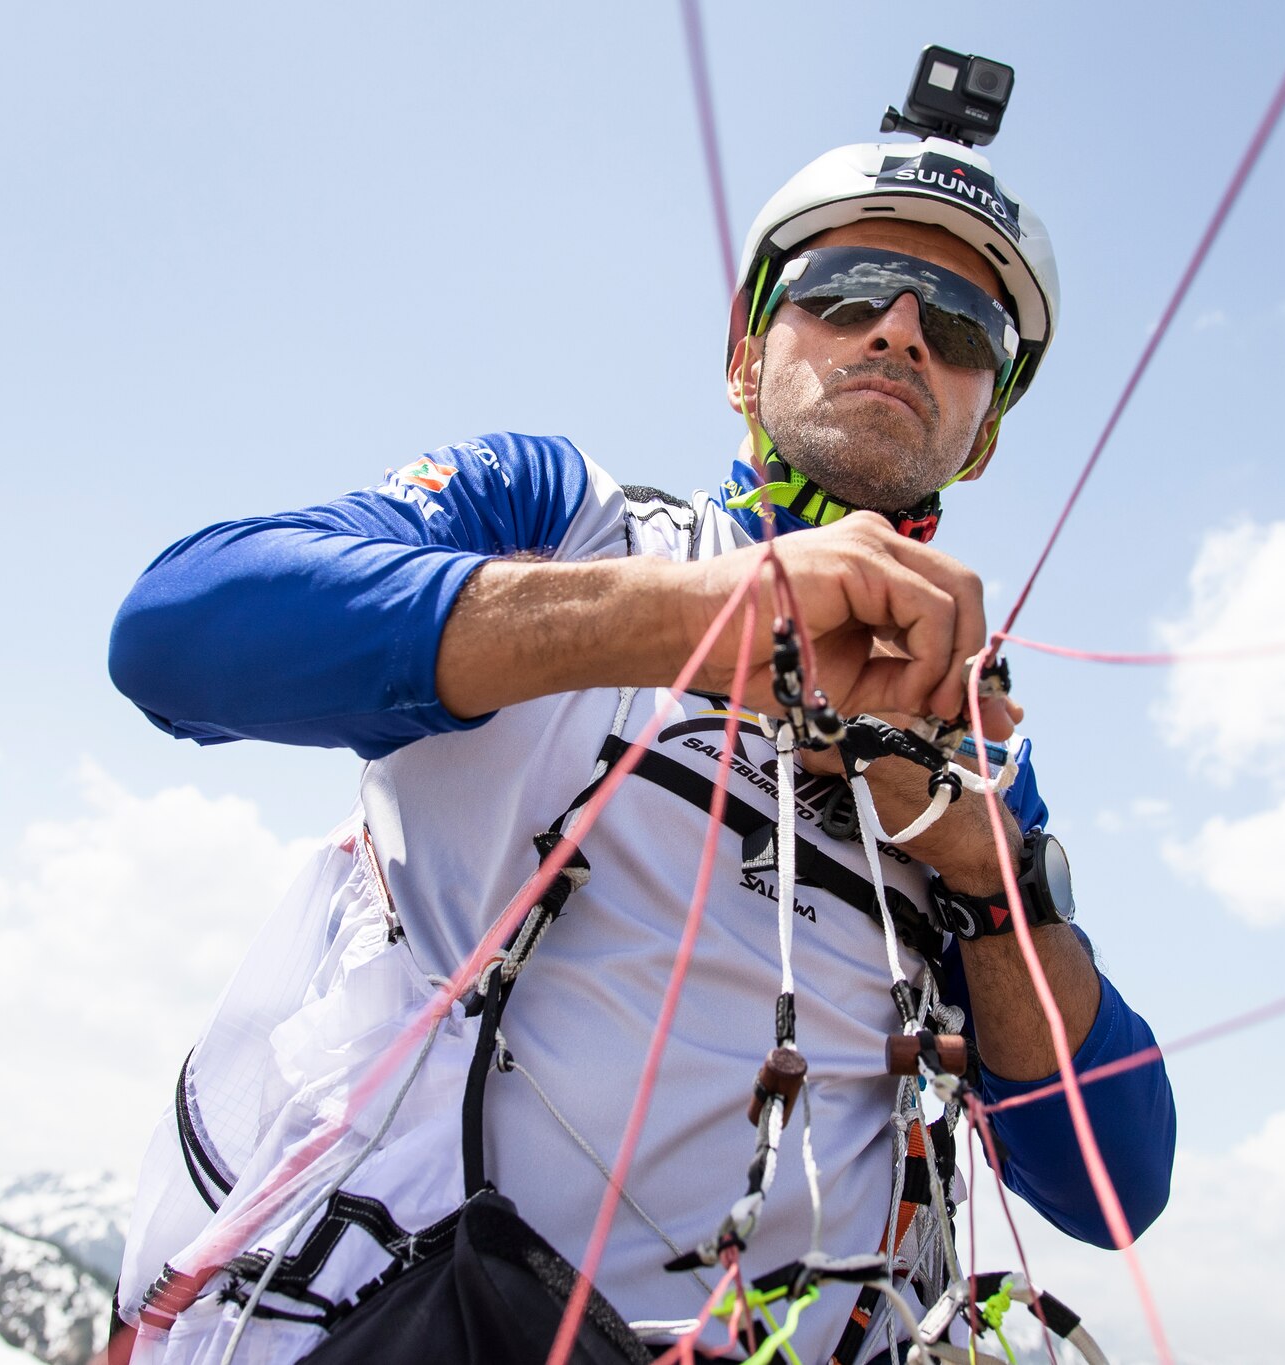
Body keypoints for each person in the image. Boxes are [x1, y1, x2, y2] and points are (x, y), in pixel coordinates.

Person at [106, 133, 1176, 1365]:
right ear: (743, 356)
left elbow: (1113, 1189)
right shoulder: (562, 518)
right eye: (841, 288)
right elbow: (176, 637)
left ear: (980, 432)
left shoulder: (969, 735)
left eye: (960, 325)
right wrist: (686, 619)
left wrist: (984, 876)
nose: (895, 331)